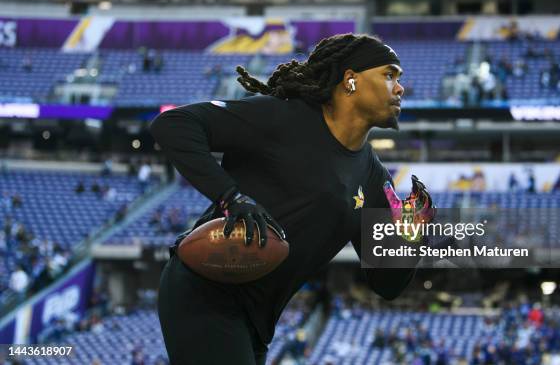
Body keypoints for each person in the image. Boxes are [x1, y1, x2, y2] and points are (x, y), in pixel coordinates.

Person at [150, 33, 434, 365]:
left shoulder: (374, 177)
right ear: (351, 80)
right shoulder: (283, 117)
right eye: (390, 74)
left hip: (257, 321)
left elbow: (386, 284)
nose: (400, 88)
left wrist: (413, 237)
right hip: (203, 293)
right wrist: (231, 196)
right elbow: (173, 124)